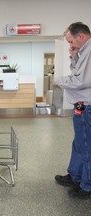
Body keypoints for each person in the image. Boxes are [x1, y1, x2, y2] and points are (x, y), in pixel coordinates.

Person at [53, 22, 91, 199]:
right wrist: (74, 56)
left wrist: (59, 81)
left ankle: (87, 186)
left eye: (71, 42)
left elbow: (80, 81)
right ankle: (75, 176)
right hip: (81, 107)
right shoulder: (84, 52)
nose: (70, 46)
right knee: (79, 145)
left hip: (87, 107)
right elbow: (78, 73)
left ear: (80, 36)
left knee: (86, 148)